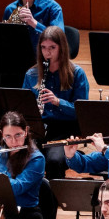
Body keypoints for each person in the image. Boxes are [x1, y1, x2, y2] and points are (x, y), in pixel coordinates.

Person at [22, 25, 90, 178]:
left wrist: (58, 102)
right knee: (22, 156)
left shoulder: (76, 74)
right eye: (44, 47)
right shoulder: (32, 74)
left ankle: (54, 197)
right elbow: (23, 107)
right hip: (38, 128)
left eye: (52, 47)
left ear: (62, 48)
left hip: (65, 128)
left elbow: (81, 112)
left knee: (54, 160)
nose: (47, 52)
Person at [0, 0, 64, 87]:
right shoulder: (10, 9)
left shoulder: (52, 7)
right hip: (16, 64)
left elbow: (59, 37)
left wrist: (34, 23)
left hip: (45, 63)